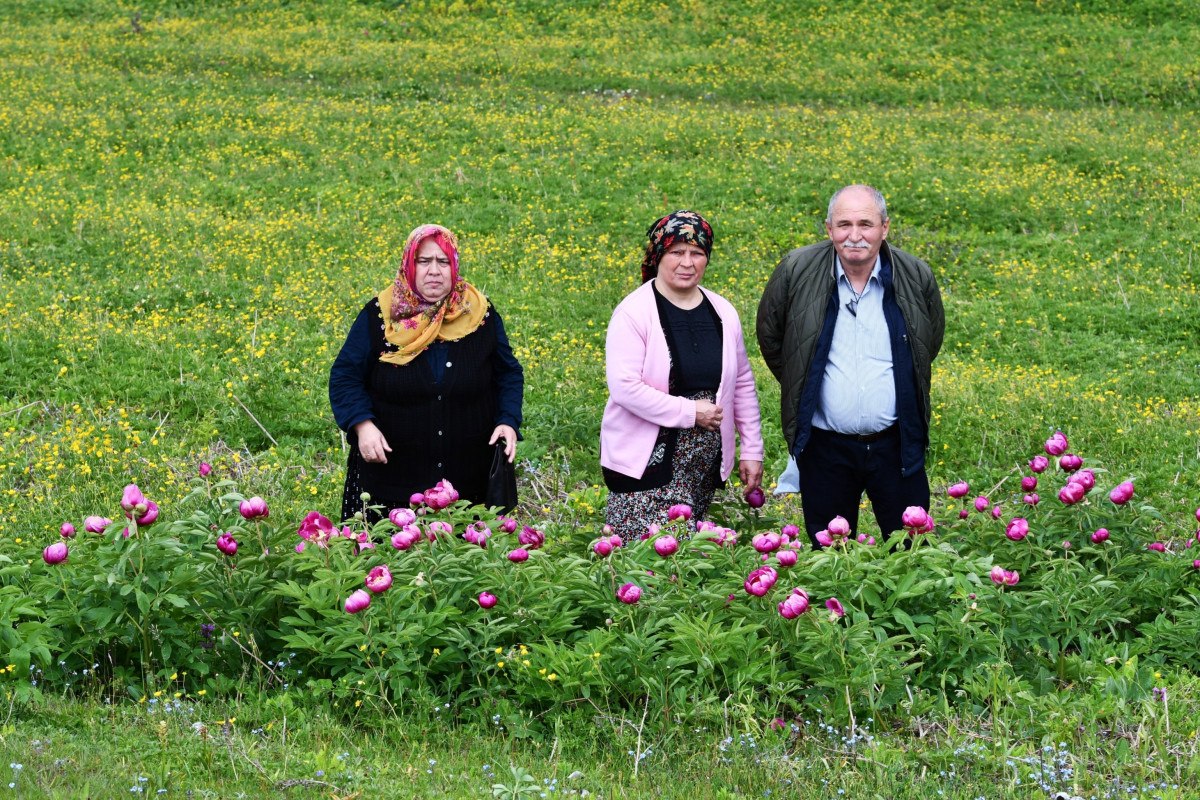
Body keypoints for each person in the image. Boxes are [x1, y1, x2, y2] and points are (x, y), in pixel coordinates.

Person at [756, 185, 944, 544]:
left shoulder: (915, 274)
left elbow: (926, 342)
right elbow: (773, 337)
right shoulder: (796, 270)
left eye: (865, 224)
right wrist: (805, 380)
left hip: (896, 444)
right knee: (830, 554)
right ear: (829, 229)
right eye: (844, 224)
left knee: (910, 548)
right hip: (825, 448)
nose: (854, 235)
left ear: (884, 228)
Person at [329, 224, 524, 522]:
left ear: (454, 266)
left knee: (464, 551)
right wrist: (362, 424)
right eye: (424, 261)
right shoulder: (380, 315)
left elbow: (508, 373)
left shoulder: (479, 315)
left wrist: (507, 420)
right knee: (390, 552)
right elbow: (345, 376)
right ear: (409, 265)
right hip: (392, 482)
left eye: (443, 262)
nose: (434, 271)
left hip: (468, 484)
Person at [601, 210, 764, 543]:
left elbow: (742, 383)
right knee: (648, 558)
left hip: (699, 469)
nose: (687, 263)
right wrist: (690, 413)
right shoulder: (634, 312)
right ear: (658, 255)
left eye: (697, 253)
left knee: (685, 562)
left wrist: (752, 448)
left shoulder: (722, 311)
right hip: (646, 465)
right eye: (677, 252)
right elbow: (625, 387)